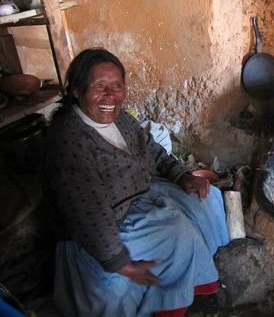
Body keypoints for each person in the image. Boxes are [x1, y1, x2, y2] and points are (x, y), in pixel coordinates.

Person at [43, 48, 230, 317]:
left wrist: (182, 175)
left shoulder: (120, 118)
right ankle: (168, 305)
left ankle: (201, 280)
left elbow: (151, 149)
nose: (110, 95)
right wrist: (121, 264)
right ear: (76, 90)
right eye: (99, 86)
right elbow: (89, 215)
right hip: (108, 223)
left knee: (208, 200)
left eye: (116, 86)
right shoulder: (70, 141)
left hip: (138, 192)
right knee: (177, 231)